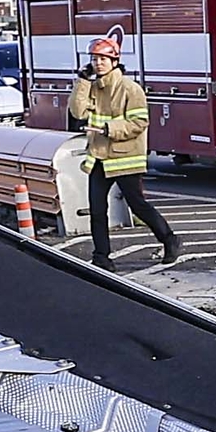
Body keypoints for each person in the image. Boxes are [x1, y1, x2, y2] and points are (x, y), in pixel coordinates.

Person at [66, 31, 180, 270]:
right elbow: (78, 112)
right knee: (97, 209)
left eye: (103, 59)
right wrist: (82, 82)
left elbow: (140, 123)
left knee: (137, 204)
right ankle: (101, 257)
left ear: (115, 61)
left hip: (125, 156)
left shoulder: (130, 89)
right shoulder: (92, 86)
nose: (97, 63)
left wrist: (108, 128)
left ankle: (169, 239)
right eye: (94, 59)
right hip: (99, 156)